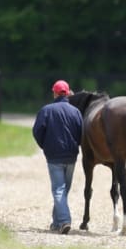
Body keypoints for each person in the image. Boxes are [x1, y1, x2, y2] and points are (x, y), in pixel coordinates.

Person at [32, 80, 83, 234]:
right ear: (67, 93)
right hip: (71, 156)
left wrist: (45, 146)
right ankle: (56, 223)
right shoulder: (76, 112)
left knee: (59, 190)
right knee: (63, 189)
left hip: (54, 157)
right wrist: (75, 146)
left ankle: (64, 221)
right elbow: (81, 133)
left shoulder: (46, 110)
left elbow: (37, 131)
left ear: (54, 93)